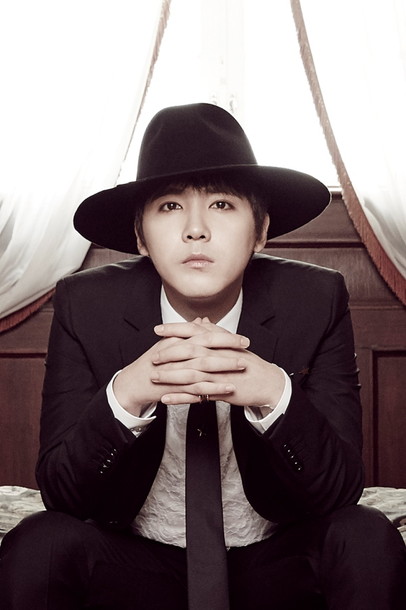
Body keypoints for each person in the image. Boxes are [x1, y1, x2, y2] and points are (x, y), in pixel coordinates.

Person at [0, 103, 405, 610]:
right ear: (140, 236)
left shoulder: (315, 299)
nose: (196, 230)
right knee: (39, 543)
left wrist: (275, 395)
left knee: (366, 535)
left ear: (260, 231)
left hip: (273, 561)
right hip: (137, 565)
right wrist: (125, 397)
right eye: (170, 206)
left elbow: (341, 489)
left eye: (222, 204)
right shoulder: (86, 305)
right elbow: (62, 495)